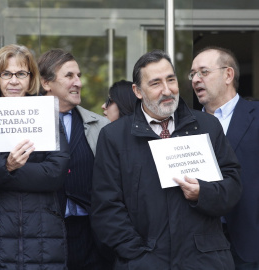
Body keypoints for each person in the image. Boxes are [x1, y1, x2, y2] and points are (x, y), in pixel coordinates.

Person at [91, 49, 242, 270]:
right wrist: (137, 255)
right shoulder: (114, 137)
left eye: (171, 80)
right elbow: (106, 208)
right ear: (137, 91)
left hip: (205, 261)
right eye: (155, 83)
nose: (167, 90)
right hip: (145, 261)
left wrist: (203, 193)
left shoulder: (207, 126)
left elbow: (233, 186)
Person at [0, 44, 70, 269]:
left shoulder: (46, 115)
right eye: (6, 74)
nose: (14, 81)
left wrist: (3, 172)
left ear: (30, 78)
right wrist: (6, 165)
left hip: (44, 235)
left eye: (21, 74)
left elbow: (55, 173)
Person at [38, 48, 112, 270]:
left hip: (90, 236)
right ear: (46, 83)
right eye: (69, 76)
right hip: (41, 234)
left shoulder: (100, 127)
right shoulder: (26, 125)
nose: (78, 82)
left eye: (78, 75)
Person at [190, 46, 259, 270]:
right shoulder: (185, 126)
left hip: (249, 243)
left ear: (228, 75)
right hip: (199, 246)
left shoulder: (256, 116)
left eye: (203, 72)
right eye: (193, 74)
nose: (196, 80)